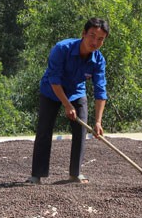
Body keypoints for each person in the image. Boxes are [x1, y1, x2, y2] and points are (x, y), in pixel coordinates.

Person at [27, 17, 110, 184]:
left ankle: (75, 174)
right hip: (52, 90)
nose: (95, 42)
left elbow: (100, 91)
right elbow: (54, 79)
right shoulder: (61, 48)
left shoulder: (99, 61)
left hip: (76, 92)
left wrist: (99, 122)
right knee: (44, 129)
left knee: (81, 129)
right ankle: (37, 175)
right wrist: (66, 105)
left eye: (100, 39)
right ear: (83, 34)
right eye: (92, 36)